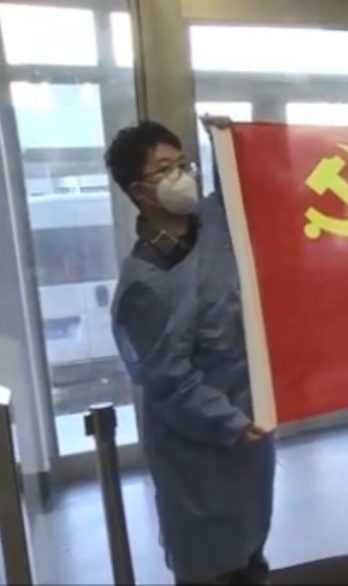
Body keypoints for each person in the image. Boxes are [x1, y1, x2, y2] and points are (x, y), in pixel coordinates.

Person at [105, 119, 276, 585]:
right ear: (138, 190)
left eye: (184, 164)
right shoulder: (145, 284)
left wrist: (225, 143)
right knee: (212, 563)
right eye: (165, 169)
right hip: (199, 451)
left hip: (248, 430)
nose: (181, 177)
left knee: (250, 554)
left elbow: (240, 191)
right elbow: (168, 381)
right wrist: (231, 424)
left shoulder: (210, 225)